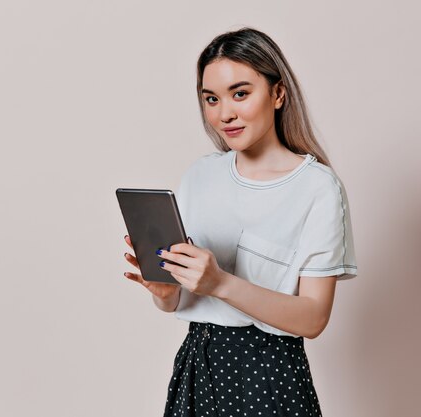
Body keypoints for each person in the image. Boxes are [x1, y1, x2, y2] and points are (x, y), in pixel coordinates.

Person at [123, 26, 358, 417]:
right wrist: (165, 293)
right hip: (198, 367)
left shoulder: (317, 188)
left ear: (278, 93)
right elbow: (184, 301)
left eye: (241, 93)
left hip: (269, 377)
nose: (224, 113)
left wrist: (220, 283)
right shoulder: (200, 176)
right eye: (211, 99)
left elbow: (314, 317)